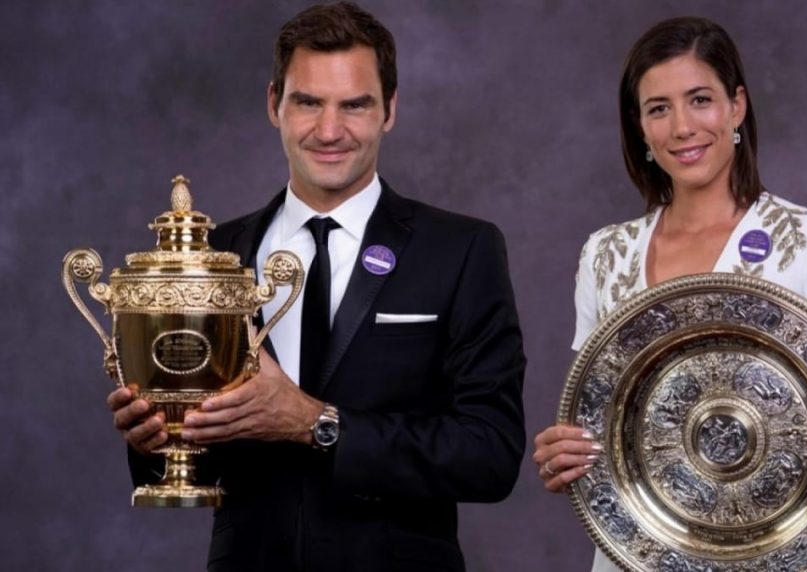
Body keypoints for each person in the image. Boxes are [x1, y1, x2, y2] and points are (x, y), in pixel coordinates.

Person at [107, 3, 526, 570]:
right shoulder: (215, 258)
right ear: (275, 105)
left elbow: (490, 454)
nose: (330, 131)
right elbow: (200, 464)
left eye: (355, 105)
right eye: (308, 102)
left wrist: (317, 424)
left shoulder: (460, 249)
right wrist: (155, 440)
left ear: (389, 111)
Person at [531, 17, 807, 571]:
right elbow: (598, 420)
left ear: (737, 107)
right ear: (640, 128)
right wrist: (564, 454)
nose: (682, 127)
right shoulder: (605, 254)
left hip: (767, 556)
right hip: (632, 555)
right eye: (658, 108)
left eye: (699, 99)